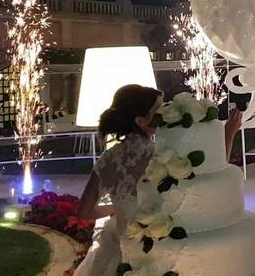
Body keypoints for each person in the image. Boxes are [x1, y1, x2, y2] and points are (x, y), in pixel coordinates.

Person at [74, 85, 242, 276]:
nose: (164, 113)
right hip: (161, 249)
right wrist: (229, 133)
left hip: (120, 249)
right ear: (141, 121)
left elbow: (84, 212)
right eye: (158, 110)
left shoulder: (108, 159)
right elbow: (209, 172)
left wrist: (117, 209)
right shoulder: (163, 155)